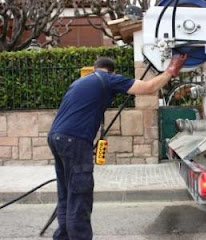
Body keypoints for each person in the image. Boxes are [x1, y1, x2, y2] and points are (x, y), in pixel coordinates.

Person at [47, 54, 187, 240]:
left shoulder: (80, 82)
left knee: (66, 194)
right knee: (80, 195)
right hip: (75, 141)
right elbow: (149, 87)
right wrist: (171, 70)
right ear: (112, 71)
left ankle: (62, 237)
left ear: (95, 67)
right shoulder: (107, 79)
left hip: (56, 137)